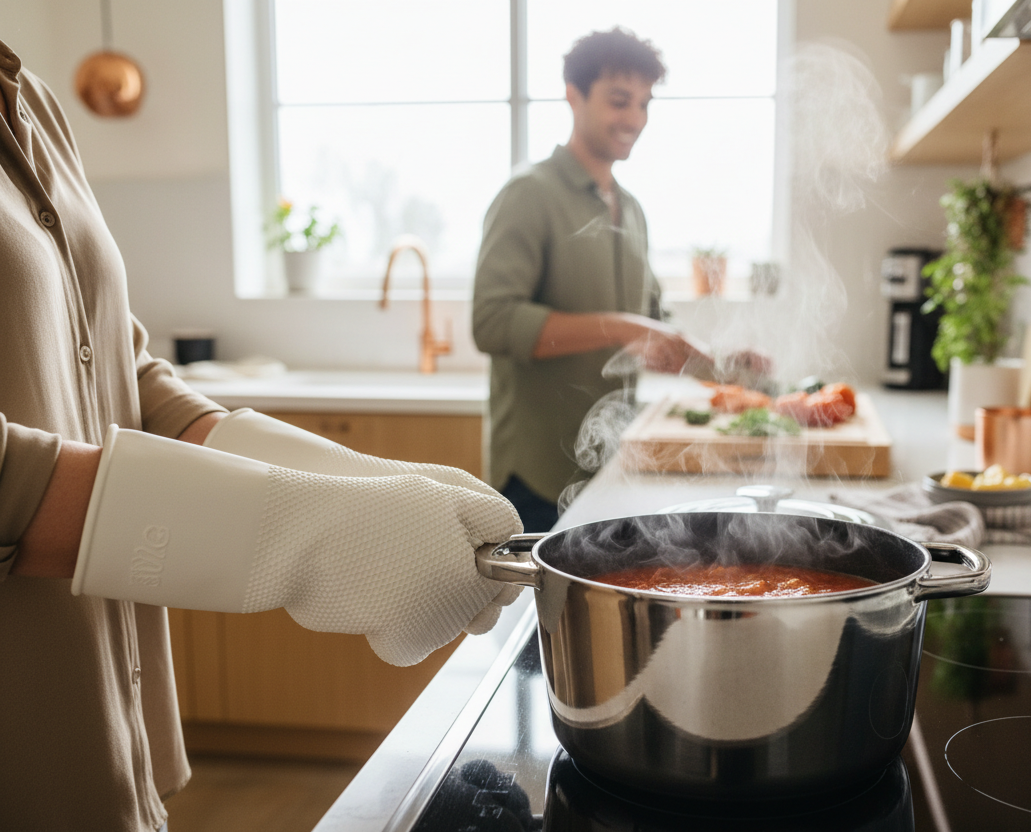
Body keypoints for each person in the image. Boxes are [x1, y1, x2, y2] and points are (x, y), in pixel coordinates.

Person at [0, 40, 522, 831]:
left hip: (109, 737)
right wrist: (299, 537)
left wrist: (354, 481)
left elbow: (123, 369)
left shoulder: (30, 99)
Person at [474, 28, 765, 533]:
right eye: (619, 101)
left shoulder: (630, 209)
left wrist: (720, 365)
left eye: (644, 104)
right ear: (573, 94)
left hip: (611, 465)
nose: (634, 118)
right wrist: (623, 328)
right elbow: (492, 323)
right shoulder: (529, 195)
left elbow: (652, 323)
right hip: (536, 479)